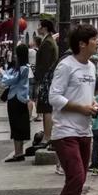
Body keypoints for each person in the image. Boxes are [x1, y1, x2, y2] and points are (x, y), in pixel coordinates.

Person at [49, 24, 98, 195]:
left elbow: (87, 96)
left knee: (79, 180)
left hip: (85, 132)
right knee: (76, 178)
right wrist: (80, 108)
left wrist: (93, 104)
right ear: (82, 44)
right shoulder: (66, 65)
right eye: (94, 39)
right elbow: (54, 97)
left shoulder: (92, 66)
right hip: (65, 132)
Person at [0, 43, 31, 162]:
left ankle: (19, 153)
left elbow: (10, 80)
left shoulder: (24, 68)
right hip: (17, 98)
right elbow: (8, 77)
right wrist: (2, 71)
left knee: (17, 125)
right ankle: (18, 152)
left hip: (17, 98)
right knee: (16, 125)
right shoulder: (19, 67)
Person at [34, 19, 59, 147]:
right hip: (47, 78)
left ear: (44, 28)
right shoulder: (48, 40)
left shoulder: (48, 43)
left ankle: (47, 136)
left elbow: (45, 64)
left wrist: (39, 79)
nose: (38, 28)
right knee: (45, 109)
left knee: (46, 108)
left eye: (39, 26)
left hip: (47, 79)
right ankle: (47, 135)